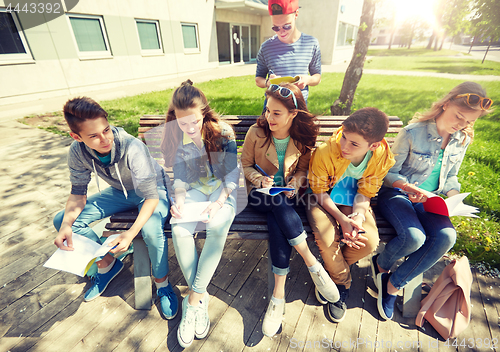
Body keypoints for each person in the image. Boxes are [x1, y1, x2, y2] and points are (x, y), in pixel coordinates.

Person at [373, 82, 493, 321]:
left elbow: (450, 176)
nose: (460, 125)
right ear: (445, 104)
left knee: (447, 237)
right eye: (458, 117)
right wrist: (407, 187)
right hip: (398, 195)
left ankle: (392, 286)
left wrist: (452, 196)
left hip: (431, 201)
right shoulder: (412, 132)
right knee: (415, 237)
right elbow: (388, 173)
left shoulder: (461, 140)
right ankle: (382, 263)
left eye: (467, 122)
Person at [53, 97, 178, 319]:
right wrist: (65, 224)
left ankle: (162, 285)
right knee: (63, 220)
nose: (104, 139)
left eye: (106, 130)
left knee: (150, 229)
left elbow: (150, 197)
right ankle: (107, 264)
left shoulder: (132, 147)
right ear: (76, 137)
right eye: (93, 136)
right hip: (120, 192)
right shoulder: (76, 152)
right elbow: (78, 193)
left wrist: (129, 235)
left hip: (152, 192)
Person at [241, 83, 339, 338]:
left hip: (288, 198)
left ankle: (278, 297)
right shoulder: (256, 132)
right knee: (275, 204)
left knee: (278, 221)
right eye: (267, 111)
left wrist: (295, 184)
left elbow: (303, 170)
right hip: (260, 195)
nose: (268, 117)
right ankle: (312, 263)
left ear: (293, 113)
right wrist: (260, 180)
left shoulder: (302, 137)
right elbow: (246, 165)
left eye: (276, 113)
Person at [161, 80, 239, 348]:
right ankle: (201, 297)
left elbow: (231, 176)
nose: (190, 127)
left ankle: (192, 300)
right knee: (180, 228)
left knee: (217, 225)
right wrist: (179, 201)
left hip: (222, 192)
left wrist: (218, 203)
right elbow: (180, 179)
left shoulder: (223, 133)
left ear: (204, 112)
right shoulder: (175, 135)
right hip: (194, 191)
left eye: (194, 121)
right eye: (183, 123)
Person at [306, 107, 395, 323]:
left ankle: (330, 271)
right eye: (344, 137)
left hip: (354, 200)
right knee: (328, 241)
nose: (344, 146)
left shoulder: (381, 156)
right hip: (323, 198)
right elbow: (317, 191)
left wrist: (357, 217)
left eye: (354, 144)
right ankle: (341, 284)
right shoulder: (327, 151)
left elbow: (366, 192)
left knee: (368, 241)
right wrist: (342, 220)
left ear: (373, 146)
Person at [255, 0, 321, 106]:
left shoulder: (311, 43)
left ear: (296, 14)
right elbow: (258, 79)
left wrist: (308, 79)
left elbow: (317, 77)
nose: (281, 31)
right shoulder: (266, 47)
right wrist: (268, 82)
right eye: (276, 27)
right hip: (273, 109)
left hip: (298, 108)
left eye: (286, 26)